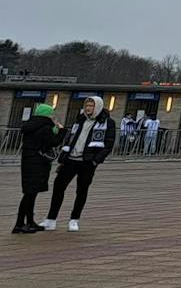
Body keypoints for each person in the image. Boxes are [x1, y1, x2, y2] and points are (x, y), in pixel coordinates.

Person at [41, 97, 114, 232]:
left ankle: (74, 219)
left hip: (87, 162)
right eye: (87, 105)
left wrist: (95, 160)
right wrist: (63, 158)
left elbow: (108, 144)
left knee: (81, 190)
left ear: (97, 106)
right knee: (58, 187)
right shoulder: (80, 120)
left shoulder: (107, 122)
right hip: (71, 159)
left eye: (91, 106)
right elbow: (70, 139)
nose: (88, 108)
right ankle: (51, 219)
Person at [14, 103, 61, 234]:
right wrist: (61, 131)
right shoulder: (45, 127)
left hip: (28, 162)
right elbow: (53, 141)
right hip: (37, 164)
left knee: (31, 193)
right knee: (29, 194)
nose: (53, 116)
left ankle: (29, 222)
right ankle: (19, 224)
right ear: (47, 114)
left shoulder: (31, 125)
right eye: (51, 113)